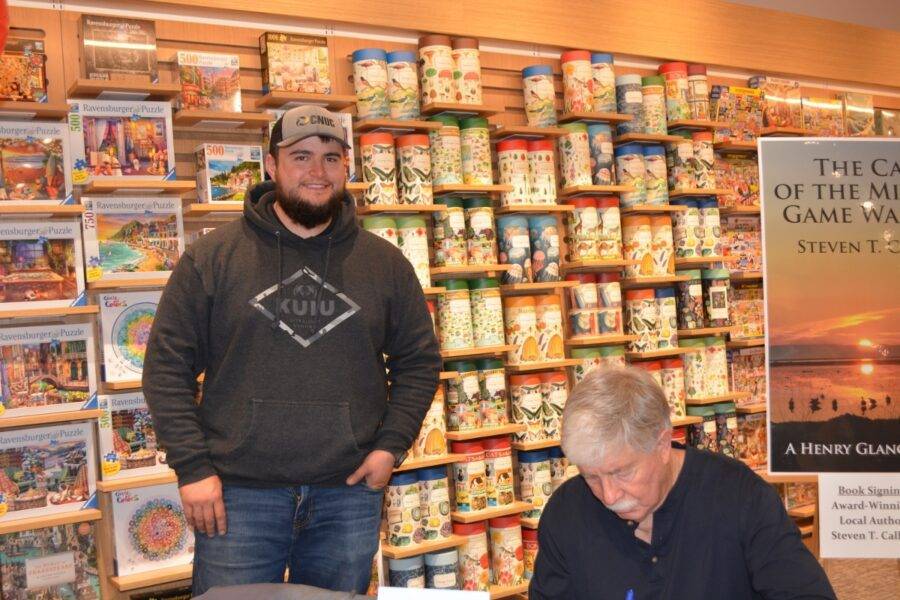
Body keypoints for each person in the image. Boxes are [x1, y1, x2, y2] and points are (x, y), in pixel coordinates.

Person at [143, 105, 440, 595]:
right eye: (300, 156)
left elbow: (419, 362)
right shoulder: (212, 257)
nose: (316, 172)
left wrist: (391, 446)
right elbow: (166, 369)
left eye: (330, 157)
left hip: (347, 494)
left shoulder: (385, 264)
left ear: (348, 166)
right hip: (237, 495)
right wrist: (192, 468)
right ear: (271, 165)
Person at [529, 367, 836, 600]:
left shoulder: (740, 497)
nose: (609, 495)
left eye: (622, 473)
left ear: (662, 445)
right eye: (591, 477)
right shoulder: (567, 513)